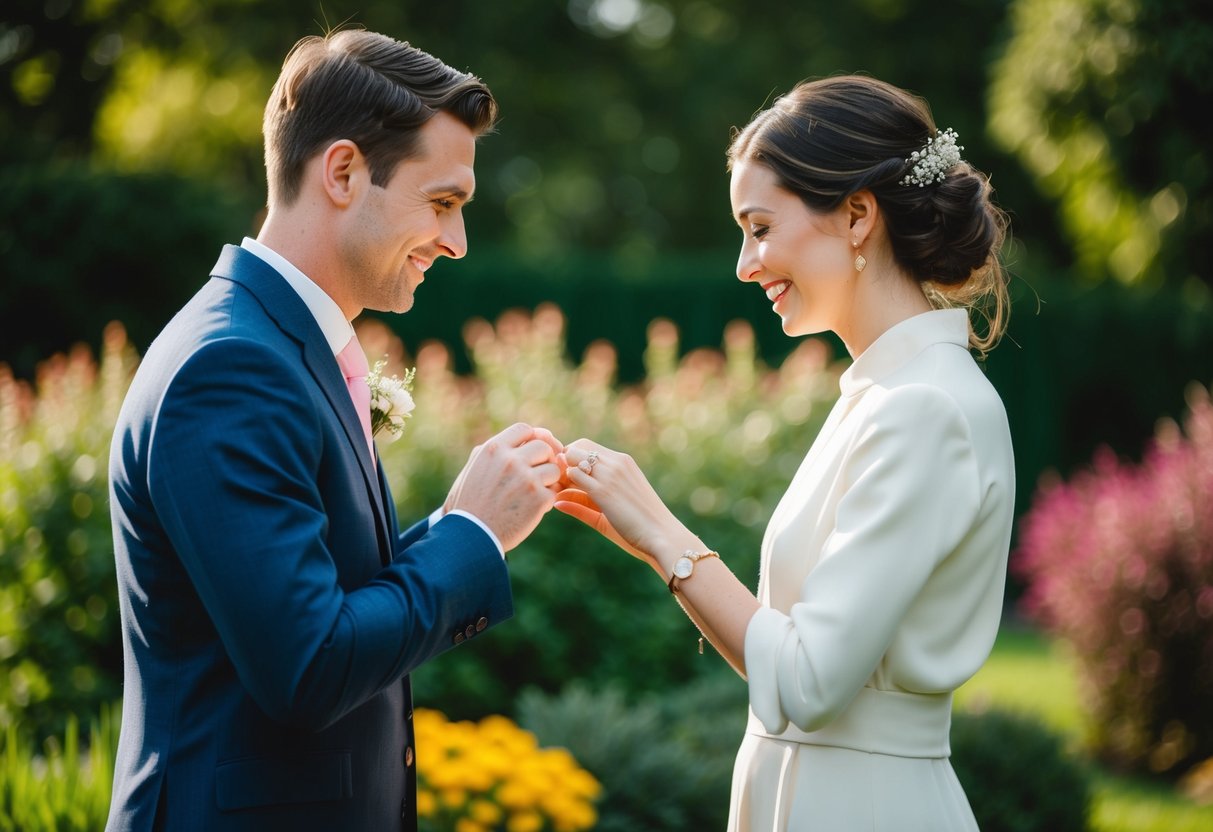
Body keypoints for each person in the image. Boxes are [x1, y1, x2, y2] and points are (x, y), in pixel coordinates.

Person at [106, 29, 563, 831]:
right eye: (443, 203)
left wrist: (454, 524)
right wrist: (472, 538)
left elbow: (322, 596)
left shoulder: (273, 345)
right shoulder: (231, 368)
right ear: (344, 172)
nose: (456, 243)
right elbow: (310, 667)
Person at [556, 75, 1015, 831]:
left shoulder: (923, 409)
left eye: (760, 227)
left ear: (857, 216)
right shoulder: (881, 394)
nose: (744, 263)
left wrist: (664, 536)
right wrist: (648, 544)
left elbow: (806, 681)